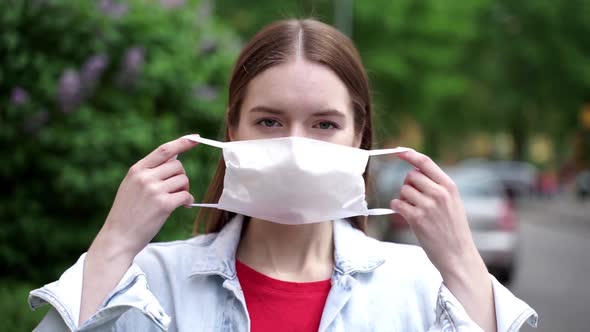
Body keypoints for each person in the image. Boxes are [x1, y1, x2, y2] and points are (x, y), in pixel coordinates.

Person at [29, 19, 537, 332]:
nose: (296, 145)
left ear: (360, 136)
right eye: (269, 121)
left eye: (324, 124)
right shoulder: (151, 282)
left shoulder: (420, 287)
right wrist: (115, 243)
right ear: (232, 128)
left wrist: (462, 261)